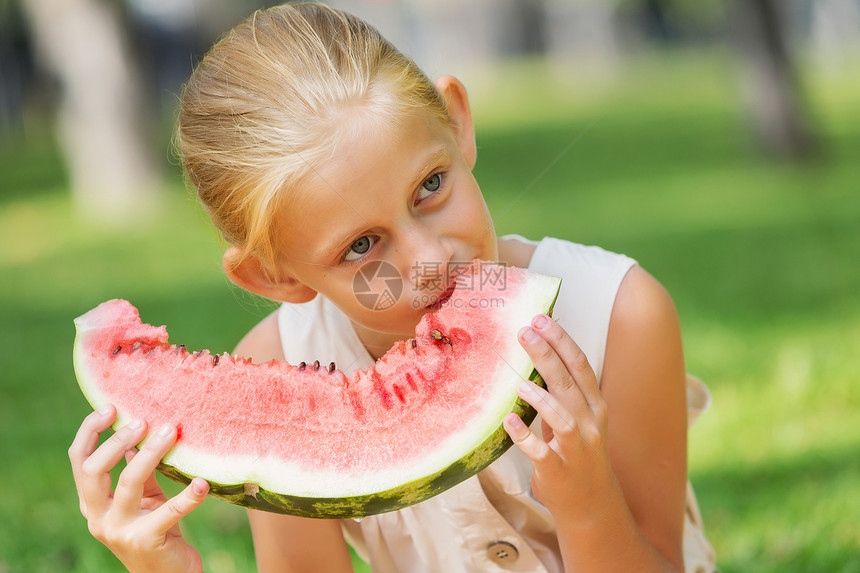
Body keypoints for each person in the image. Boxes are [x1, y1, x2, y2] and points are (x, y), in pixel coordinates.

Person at [68, 3, 716, 572]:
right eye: (360, 246)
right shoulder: (279, 368)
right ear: (277, 276)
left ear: (457, 122)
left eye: (430, 187)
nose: (431, 257)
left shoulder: (622, 313)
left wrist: (587, 503)